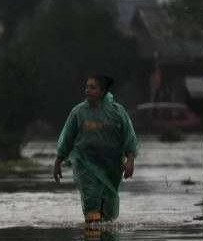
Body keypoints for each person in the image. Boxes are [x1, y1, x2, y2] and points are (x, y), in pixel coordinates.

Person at [53, 75, 139, 227]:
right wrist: (58, 160)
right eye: (87, 87)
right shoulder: (78, 112)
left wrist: (130, 160)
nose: (88, 90)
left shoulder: (117, 112)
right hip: (85, 164)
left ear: (103, 91)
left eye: (92, 87)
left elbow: (129, 136)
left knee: (109, 206)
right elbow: (67, 137)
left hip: (111, 165)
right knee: (91, 198)